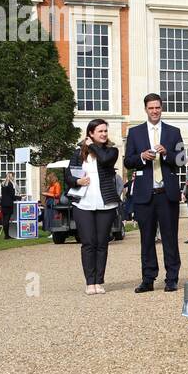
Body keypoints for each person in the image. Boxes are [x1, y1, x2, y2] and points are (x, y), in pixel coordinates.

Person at [123, 93, 183, 293]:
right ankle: (148, 278)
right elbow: (127, 161)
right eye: (151, 108)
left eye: (157, 107)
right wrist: (141, 156)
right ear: (146, 109)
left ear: (162, 108)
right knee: (146, 238)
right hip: (144, 194)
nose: (155, 111)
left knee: (170, 237)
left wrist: (167, 154)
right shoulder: (135, 133)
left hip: (167, 193)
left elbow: (181, 160)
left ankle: (172, 278)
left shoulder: (174, 132)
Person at [67, 119, 121, 294]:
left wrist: (92, 146)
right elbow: (68, 176)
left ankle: (99, 281)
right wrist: (77, 180)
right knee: (89, 243)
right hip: (83, 203)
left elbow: (105, 160)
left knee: (102, 243)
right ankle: (90, 282)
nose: (104, 134)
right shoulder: (78, 153)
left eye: (105, 131)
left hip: (106, 203)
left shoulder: (112, 151)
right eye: (100, 131)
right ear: (90, 133)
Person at [0, 174, 17, 239]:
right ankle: (7, 235)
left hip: (3, 203)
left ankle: (6, 235)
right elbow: (12, 195)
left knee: (4, 220)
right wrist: (20, 197)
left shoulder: (3, 184)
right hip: (8, 204)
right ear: (11, 177)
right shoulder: (10, 184)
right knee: (6, 220)